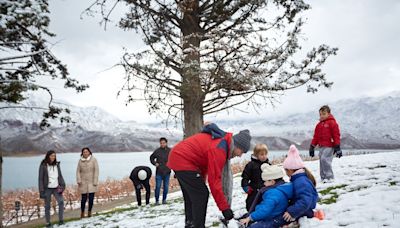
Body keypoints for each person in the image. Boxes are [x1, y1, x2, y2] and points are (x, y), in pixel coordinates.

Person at [167, 123, 252, 228]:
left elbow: (203, 167)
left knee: (192, 197)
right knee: (201, 194)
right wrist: (225, 210)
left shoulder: (221, 142)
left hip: (178, 157)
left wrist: (201, 180)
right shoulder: (219, 149)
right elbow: (214, 182)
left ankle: (190, 224)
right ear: (237, 145)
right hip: (183, 159)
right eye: (242, 152)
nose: (240, 155)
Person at [275, 145, 318, 227]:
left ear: (290, 170)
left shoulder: (301, 182)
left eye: (286, 170)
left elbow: (305, 201)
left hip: (304, 210)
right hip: (302, 209)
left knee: (278, 219)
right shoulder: (299, 178)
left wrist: (292, 211)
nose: (286, 173)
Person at [309, 105, 342, 182]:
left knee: (325, 159)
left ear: (328, 113)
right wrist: (312, 146)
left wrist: (337, 147)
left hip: (330, 146)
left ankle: (329, 177)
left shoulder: (332, 123)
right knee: (321, 160)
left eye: (324, 114)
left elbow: (336, 135)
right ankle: (323, 178)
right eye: (320, 114)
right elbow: (316, 137)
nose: (322, 116)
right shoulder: (319, 125)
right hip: (321, 146)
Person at [38, 150, 65, 227]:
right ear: (48, 156)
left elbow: (60, 175)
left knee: (61, 202)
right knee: (47, 206)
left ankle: (61, 220)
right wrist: (41, 190)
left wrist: (63, 184)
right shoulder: (43, 165)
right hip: (47, 189)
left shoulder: (57, 164)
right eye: (51, 155)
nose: (53, 157)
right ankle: (48, 222)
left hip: (57, 187)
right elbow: (40, 178)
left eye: (54, 156)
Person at [241, 144, 271, 211]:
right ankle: (250, 212)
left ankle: (262, 213)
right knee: (251, 203)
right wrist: (245, 186)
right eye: (262, 154)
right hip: (253, 188)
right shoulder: (251, 165)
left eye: (265, 154)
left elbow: (272, 176)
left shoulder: (268, 164)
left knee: (264, 201)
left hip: (265, 187)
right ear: (256, 155)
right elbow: (245, 177)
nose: (264, 156)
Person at [76, 147, 99, 218]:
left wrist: (95, 181)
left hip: (92, 182)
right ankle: (82, 213)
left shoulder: (94, 160)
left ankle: (89, 212)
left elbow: (96, 171)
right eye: (84, 152)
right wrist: (79, 180)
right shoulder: (80, 161)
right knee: (83, 199)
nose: (85, 153)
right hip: (83, 182)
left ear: (89, 152)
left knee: (91, 199)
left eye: (87, 151)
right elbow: (78, 171)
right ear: (82, 153)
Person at [150, 137, 171, 205]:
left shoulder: (170, 150)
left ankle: (164, 200)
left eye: (163, 143)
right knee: (158, 187)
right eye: (161, 143)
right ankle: (157, 201)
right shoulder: (157, 151)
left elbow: (174, 159)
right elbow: (151, 158)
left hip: (167, 172)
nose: (162, 144)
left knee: (166, 187)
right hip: (159, 172)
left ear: (166, 143)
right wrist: (155, 163)